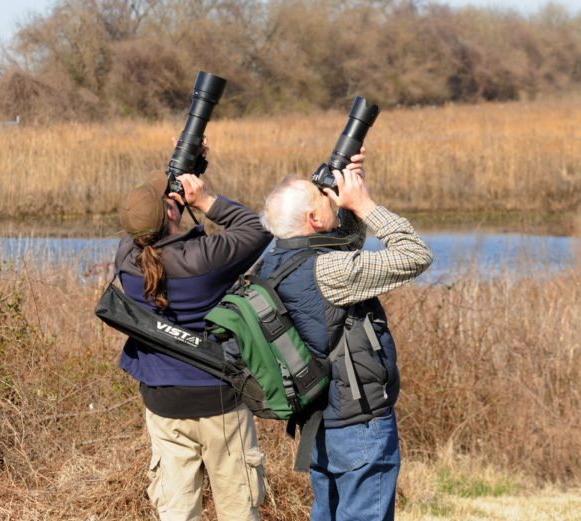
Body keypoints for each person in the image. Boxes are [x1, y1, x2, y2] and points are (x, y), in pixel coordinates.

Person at [258, 149, 433, 521]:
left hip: (320, 421)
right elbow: (416, 254)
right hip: (359, 426)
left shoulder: (273, 262)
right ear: (313, 218)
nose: (331, 200)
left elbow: (343, 246)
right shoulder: (329, 272)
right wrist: (365, 205)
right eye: (325, 198)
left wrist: (348, 206)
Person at [114, 167, 272, 520]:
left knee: (177, 511)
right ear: (173, 211)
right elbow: (259, 228)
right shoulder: (205, 260)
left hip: (163, 402)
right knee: (238, 509)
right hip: (221, 401)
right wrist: (205, 201)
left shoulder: (126, 259)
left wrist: (186, 164)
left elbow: (149, 222)